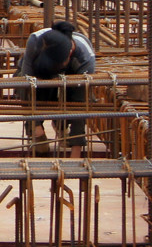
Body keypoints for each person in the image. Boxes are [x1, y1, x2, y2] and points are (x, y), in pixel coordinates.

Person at [17, 20, 96, 158]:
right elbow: (25, 83)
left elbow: (80, 102)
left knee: (74, 98)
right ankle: (37, 129)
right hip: (40, 74)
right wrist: (35, 127)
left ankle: (61, 125)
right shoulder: (35, 42)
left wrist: (76, 151)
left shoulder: (85, 59)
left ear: (66, 59)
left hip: (73, 78)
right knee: (37, 89)